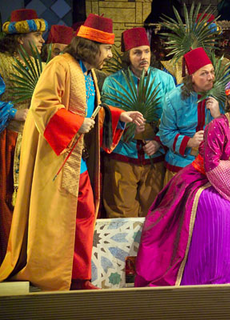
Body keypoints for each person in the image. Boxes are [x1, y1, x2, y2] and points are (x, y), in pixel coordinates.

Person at [0, 13, 145, 291]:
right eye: (106, 48)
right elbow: (43, 106)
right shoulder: (60, 66)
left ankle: (78, 277)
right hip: (56, 160)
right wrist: (77, 124)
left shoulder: (85, 70)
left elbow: (92, 110)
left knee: (85, 214)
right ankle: (53, 276)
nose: (109, 54)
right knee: (58, 222)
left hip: (76, 160)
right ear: (92, 47)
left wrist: (119, 115)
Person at [135, 78, 230, 286]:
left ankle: (229, 279)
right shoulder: (218, 126)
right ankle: (208, 279)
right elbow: (212, 167)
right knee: (225, 212)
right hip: (199, 182)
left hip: (226, 184)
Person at [102, 27, 175, 218]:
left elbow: (173, 119)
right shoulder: (112, 82)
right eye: (137, 52)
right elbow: (105, 118)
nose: (143, 56)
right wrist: (128, 125)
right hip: (123, 156)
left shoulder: (165, 80)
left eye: (147, 51)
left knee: (153, 214)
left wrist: (158, 140)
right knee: (121, 213)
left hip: (155, 156)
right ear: (127, 55)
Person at [0, 8, 47, 262]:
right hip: (8, 139)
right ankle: (10, 257)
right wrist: (11, 112)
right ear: (20, 38)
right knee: (8, 197)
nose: (42, 41)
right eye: (37, 35)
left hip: (36, 140)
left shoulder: (43, 67)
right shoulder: (1, 62)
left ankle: (34, 257)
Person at [159, 47, 221, 184]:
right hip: (181, 164)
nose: (210, 77)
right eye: (204, 73)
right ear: (191, 76)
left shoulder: (220, 96)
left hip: (211, 164)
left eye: (211, 72)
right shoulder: (173, 98)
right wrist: (189, 142)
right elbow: (165, 133)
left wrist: (218, 116)